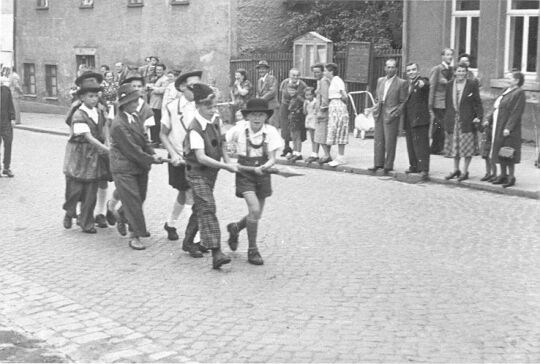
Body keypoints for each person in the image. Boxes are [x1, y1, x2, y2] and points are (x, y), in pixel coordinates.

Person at [183, 83, 238, 269]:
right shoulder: (194, 128)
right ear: (197, 105)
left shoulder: (215, 119)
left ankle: (188, 241)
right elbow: (201, 157)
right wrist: (225, 166)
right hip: (196, 173)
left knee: (200, 208)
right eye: (208, 106)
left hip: (210, 174)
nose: (213, 110)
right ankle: (216, 252)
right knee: (208, 206)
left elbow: (221, 143)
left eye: (214, 106)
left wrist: (228, 161)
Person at [225, 99, 282, 265]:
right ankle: (252, 250)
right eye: (254, 114)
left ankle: (235, 227)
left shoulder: (270, 132)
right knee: (255, 209)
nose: (257, 118)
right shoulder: (239, 129)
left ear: (266, 116)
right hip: (245, 174)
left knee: (256, 214)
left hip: (263, 174)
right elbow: (222, 140)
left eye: (261, 114)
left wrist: (265, 166)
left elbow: (273, 159)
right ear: (248, 116)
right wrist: (228, 161)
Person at [160, 70, 208, 258]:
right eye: (191, 86)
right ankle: (194, 240)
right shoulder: (172, 107)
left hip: (198, 158)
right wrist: (172, 153)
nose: (196, 90)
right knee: (189, 194)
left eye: (198, 86)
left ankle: (170, 223)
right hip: (179, 157)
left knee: (186, 193)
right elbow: (163, 134)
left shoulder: (203, 106)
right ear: (181, 87)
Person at [109, 83, 163, 250]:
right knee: (133, 201)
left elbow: (144, 140)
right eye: (133, 101)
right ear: (124, 104)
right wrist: (152, 159)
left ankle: (118, 214)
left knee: (140, 198)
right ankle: (135, 236)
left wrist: (153, 152)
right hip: (124, 167)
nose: (137, 104)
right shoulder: (118, 125)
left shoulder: (136, 117)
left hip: (139, 165)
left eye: (138, 100)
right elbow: (131, 149)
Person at [62, 73, 110, 233]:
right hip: (79, 153)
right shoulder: (78, 113)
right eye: (90, 96)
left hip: (94, 155)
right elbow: (88, 137)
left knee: (91, 188)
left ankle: (86, 221)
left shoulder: (100, 111)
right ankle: (70, 211)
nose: (94, 99)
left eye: (96, 95)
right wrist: (105, 149)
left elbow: (104, 128)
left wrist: (107, 143)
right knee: (75, 189)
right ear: (82, 97)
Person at [443, 63, 483, 182]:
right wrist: (447, 118)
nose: (461, 73)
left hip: (466, 120)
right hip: (453, 120)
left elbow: (478, 103)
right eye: (458, 71)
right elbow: (447, 103)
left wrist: (479, 116)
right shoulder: (450, 85)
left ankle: (465, 171)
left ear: (466, 72)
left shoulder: (472, 84)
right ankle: (456, 169)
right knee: (455, 147)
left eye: (463, 71)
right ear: (455, 72)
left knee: (466, 147)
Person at [369, 59, 407, 173]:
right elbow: (377, 96)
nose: (390, 69)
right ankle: (378, 163)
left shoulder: (401, 83)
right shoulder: (380, 80)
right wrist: (376, 107)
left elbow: (403, 102)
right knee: (378, 139)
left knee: (390, 141)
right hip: (380, 112)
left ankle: (388, 165)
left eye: (392, 67)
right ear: (385, 68)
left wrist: (395, 113)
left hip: (391, 113)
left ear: (396, 69)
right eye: (388, 67)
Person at [489, 71, 526, 188]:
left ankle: (511, 176)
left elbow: (516, 112)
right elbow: (496, 105)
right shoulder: (506, 90)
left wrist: (508, 127)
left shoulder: (519, 93)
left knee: (508, 151)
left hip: (509, 128)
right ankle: (502, 175)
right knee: (500, 150)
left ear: (517, 80)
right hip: (499, 124)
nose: (507, 80)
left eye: (510, 78)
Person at [403, 63, 430, 180]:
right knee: (411, 144)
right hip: (409, 118)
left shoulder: (421, 81)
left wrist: (423, 83)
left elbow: (426, 84)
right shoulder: (408, 84)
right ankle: (414, 165)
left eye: (413, 70)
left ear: (418, 71)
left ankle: (424, 169)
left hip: (420, 118)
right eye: (409, 71)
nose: (411, 72)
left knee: (422, 145)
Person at [429, 48, 454, 155]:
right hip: (438, 102)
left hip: (448, 102)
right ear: (442, 56)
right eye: (448, 55)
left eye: (451, 55)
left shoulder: (452, 70)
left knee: (442, 125)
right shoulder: (437, 69)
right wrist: (430, 103)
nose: (450, 57)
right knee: (439, 125)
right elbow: (432, 86)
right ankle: (436, 148)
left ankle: (439, 147)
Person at [324, 63, 350, 167]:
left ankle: (341, 157)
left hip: (338, 105)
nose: (324, 72)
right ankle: (339, 157)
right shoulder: (333, 81)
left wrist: (341, 104)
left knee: (340, 130)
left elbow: (344, 94)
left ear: (331, 71)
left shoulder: (337, 80)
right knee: (335, 129)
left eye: (326, 71)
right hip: (334, 106)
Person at [278, 68, 306, 159]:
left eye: (297, 75)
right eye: (293, 75)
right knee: (285, 126)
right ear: (290, 75)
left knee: (296, 130)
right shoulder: (285, 82)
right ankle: (286, 148)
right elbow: (282, 94)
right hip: (285, 106)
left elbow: (304, 98)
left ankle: (296, 151)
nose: (295, 77)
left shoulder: (302, 85)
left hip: (296, 108)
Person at [122, 71, 155, 142]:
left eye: (139, 86)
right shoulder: (119, 104)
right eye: (134, 86)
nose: (136, 88)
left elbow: (146, 128)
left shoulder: (146, 108)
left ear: (143, 88)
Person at [310, 63, 332, 165]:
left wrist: (321, 111)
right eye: (314, 72)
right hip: (321, 110)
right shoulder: (320, 81)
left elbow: (325, 97)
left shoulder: (323, 81)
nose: (316, 74)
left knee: (321, 133)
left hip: (323, 111)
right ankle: (327, 154)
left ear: (322, 72)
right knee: (322, 133)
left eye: (318, 72)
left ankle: (327, 155)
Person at [148, 63, 169, 146]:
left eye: (160, 70)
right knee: (152, 122)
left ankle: (157, 140)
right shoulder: (155, 78)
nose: (158, 71)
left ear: (163, 70)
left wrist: (152, 87)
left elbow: (163, 90)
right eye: (157, 70)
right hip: (152, 103)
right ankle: (153, 139)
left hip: (158, 104)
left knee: (157, 122)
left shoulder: (165, 79)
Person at [255, 60, 279, 129]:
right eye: (259, 69)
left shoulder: (272, 78)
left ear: (267, 69)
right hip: (263, 108)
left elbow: (272, 92)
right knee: (264, 128)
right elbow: (258, 92)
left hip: (272, 106)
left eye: (263, 69)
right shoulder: (259, 80)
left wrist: (261, 99)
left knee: (272, 127)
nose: (261, 71)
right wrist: (257, 98)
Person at [0, 85, 15, 177]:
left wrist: (12, 118)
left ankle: (6, 167)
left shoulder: (6, 89)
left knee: (8, 143)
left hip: (6, 122)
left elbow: (10, 104)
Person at [303, 87, 318, 162]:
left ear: (313, 95)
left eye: (310, 95)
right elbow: (305, 112)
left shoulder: (315, 102)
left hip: (314, 119)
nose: (308, 97)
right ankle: (313, 152)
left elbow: (315, 111)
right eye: (306, 95)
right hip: (308, 119)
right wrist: (305, 106)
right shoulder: (306, 102)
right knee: (312, 137)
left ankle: (315, 153)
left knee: (315, 137)